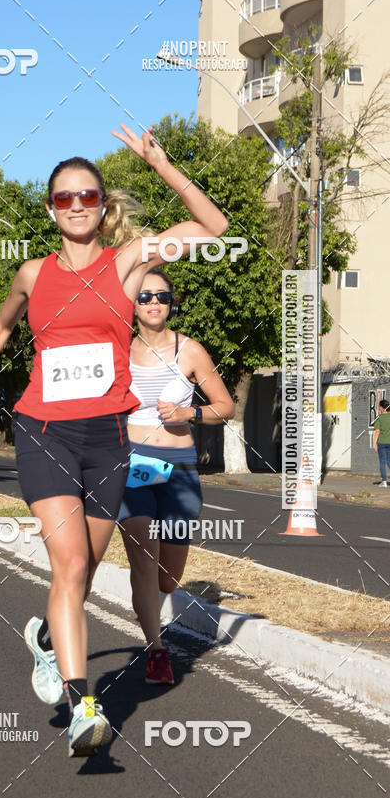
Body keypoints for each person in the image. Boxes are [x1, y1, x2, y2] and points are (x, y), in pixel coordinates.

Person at [0, 123, 228, 756]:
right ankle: (85, 706)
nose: (76, 205)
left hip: (108, 438)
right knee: (70, 564)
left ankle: (50, 639)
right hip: (43, 431)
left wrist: (160, 162)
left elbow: (213, 228)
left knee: (87, 567)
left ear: (103, 209)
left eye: (88, 196)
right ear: (51, 209)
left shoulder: (129, 263)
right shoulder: (32, 273)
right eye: (63, 198)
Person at [118, 269, 234, 684]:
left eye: (162, 297)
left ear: (172, 303)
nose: (153, 302)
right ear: (131, 302)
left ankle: (155, 615)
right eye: (145, 295)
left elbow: (226, 406)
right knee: (143, 558)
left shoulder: (190, 351)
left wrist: (191, 413)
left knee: (168, 577)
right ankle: (156, 651)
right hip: (133, 463)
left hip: (181, 465)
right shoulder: (117, 349)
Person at [373, 399, 390, 488]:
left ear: (383, 408)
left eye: (379, 406)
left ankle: (384, 482)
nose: (379, 408)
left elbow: (377, 431)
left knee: (382, 462)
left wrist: (374, 443)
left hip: (382, 443)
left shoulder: (379, 418)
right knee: (389, 461)